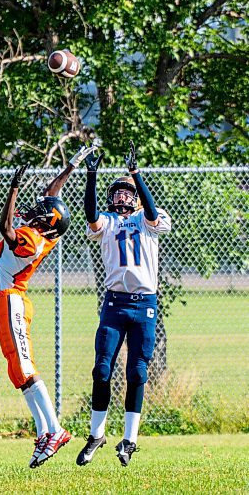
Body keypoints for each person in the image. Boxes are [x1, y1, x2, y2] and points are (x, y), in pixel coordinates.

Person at [0, 145, 95, 468]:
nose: (35, 210)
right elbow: (53, 197)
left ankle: (55, 430)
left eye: (41, 211)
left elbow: (5, 229)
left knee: (24, 366)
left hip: (13, 299)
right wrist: (73, 165)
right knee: (17, 371)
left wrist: (12, 188)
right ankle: (45, 430)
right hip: (5, 300)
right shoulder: (47, 230)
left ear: (48, 223)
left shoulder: (33, 239)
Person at [76, 141, 172, 467]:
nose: (119, 196)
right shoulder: (108, 221)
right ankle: (96, 434)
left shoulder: (149, 219)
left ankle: (130, 440)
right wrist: (91, 175)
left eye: (125, 191)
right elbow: (90, 216)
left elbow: (153, 213)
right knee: (102, 368)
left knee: (137, 373)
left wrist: (136, 174)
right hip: (115, 303)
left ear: (135, 195)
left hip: (144, 304)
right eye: (115, 192)